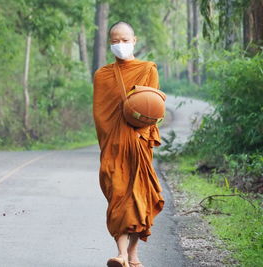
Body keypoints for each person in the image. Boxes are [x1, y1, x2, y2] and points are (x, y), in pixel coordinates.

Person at [92, 21, 165, 267]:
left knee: (138, 199)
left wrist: (140, 133)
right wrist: (111, 139)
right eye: (114, 41)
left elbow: (152, 110)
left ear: (134, 40)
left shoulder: (148, 70)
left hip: (138, 145)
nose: (119, 45)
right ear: (109, 43)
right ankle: (122, 255)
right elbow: (101, 115)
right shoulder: (102, 75)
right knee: (118, 198)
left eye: (124, 40)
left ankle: (130, 255)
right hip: (113, 148)